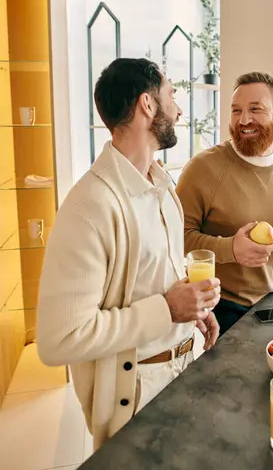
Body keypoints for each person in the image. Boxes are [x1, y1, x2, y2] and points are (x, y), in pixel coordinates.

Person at [36, 58, 221, 450]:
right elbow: (58, 340)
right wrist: (168, 311)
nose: (179, 108)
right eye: (172, 95)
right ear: (147, 105)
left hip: (186, 373)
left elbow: (155, 282)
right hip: (138, 403)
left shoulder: (163, 187)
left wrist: (192, 313)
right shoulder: (87, 208)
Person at [176, 71, 273, 336]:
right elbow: (176, 240)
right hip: (217, 310)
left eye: (255, 109)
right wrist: (230, 248)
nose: (244, 120)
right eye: (236, 111)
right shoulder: (202, 168)